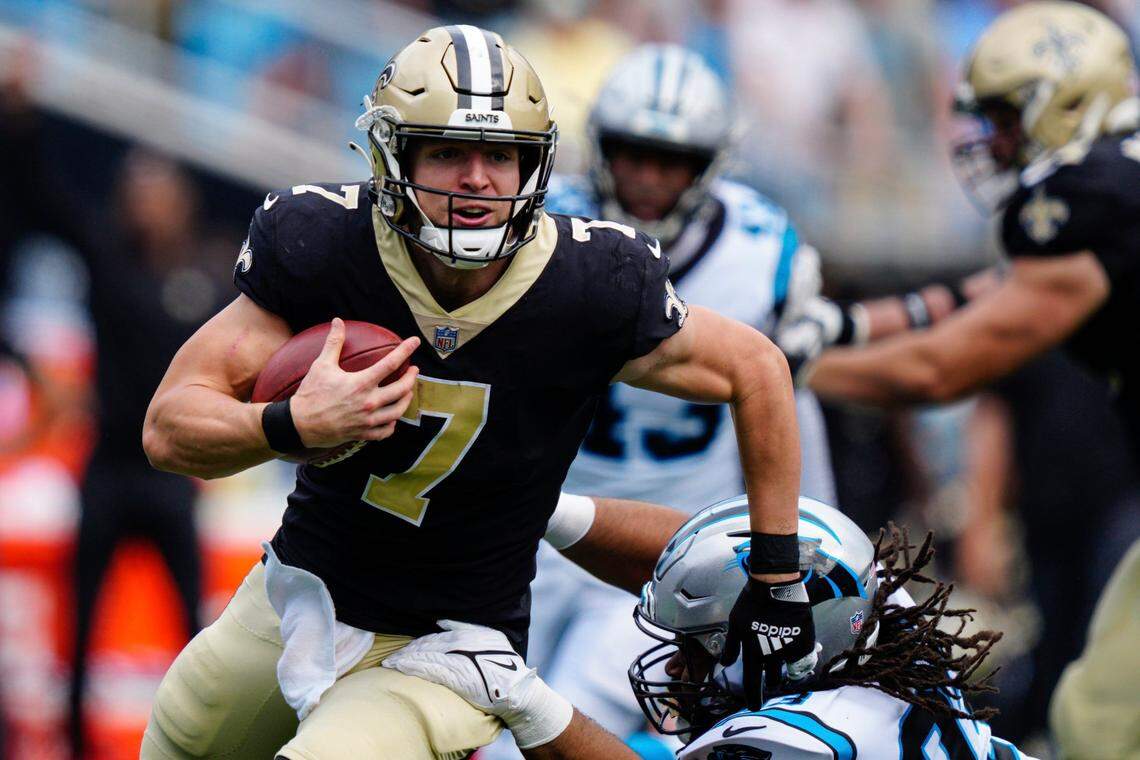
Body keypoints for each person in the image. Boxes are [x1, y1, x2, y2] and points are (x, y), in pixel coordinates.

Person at [140, 25, 811, 759]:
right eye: (448, 152)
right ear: (395, 155)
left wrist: (778, 580)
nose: (478, 178)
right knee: (178, 742)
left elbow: (758, 369)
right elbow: (169, 429)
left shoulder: (590, 282)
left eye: (501, 155)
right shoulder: (326, 244)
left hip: (451, 646)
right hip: (301, 590)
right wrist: (293, 422)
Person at [504, 42, 967, 757]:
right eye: (634, 154)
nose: (651, 179)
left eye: (673, 160)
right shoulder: (538, 229)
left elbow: (789, 399)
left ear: (711, 162)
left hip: (671, 546)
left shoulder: (760, 251)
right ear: (601, 148)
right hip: (535, 518)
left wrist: (797, 555)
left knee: (552, 714)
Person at [384, 494, 1037, 759]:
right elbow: (720, 556)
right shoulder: (872, 625)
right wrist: (540, 507)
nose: (675, 665)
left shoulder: (797, 739)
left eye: (698, 646)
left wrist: (524, 701)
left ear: (778, 648)